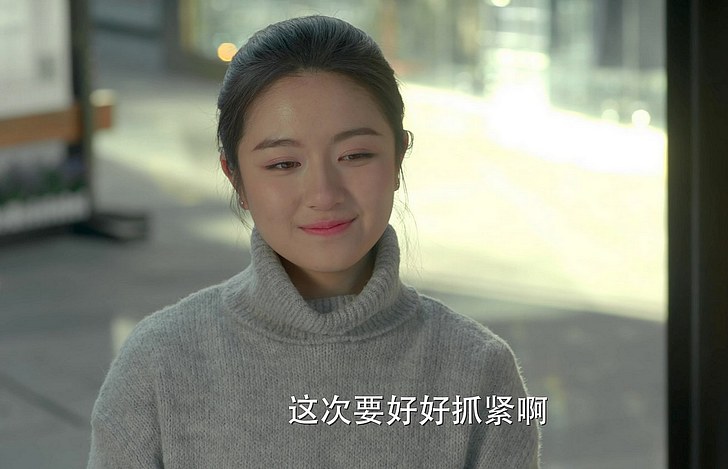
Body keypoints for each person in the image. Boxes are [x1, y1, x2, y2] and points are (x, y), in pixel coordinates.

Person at [88, 15, 541, 468]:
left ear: (399, 158)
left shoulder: (479, 372)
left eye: (355, 155)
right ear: (235, 177)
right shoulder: (160, 365)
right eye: (284, 164)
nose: (324, 194)